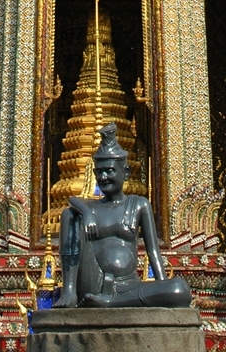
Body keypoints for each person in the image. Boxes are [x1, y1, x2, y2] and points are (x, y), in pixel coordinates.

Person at [54, 122, 192, 308]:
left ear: (125, 172)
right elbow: (72, 200)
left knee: (178, 288)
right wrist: (86, 212)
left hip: (129, 285)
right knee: (69, 215)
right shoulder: (91, 207)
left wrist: (161, 285)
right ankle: (69, 292)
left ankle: (111, 302)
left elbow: (153, 251)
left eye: (109, 171)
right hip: (94, 282)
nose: (103, 177)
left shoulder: (139, 204)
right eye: (99, 172)